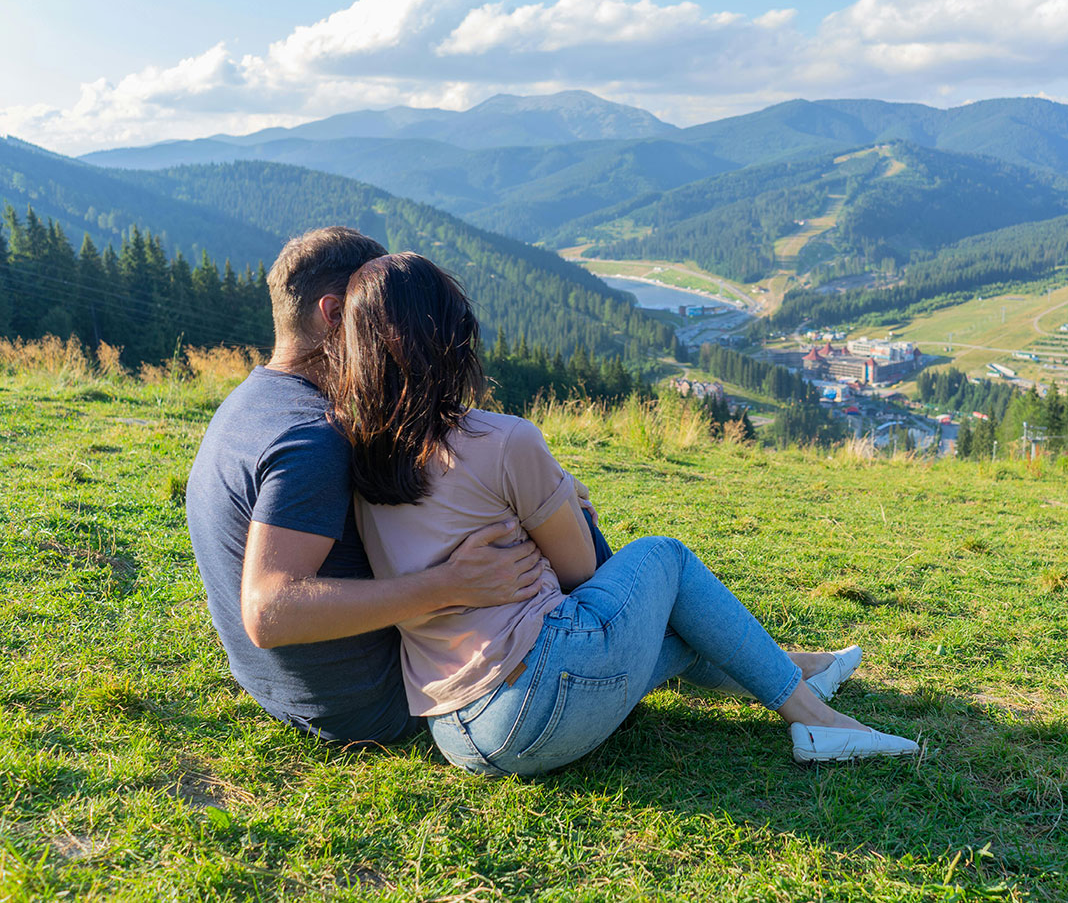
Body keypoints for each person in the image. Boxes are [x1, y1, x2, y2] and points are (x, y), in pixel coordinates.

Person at [324, 252, 921, 772]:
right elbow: (583, 571)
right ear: (450, 337)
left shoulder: (358, 453)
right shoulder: (502, 441)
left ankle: (798, 668)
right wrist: (560, 502)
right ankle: (815, 717)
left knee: (690, 619)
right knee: (665, 561)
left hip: (459, 731)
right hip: (535, 697)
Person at [185, 227, 556, 745]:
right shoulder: (313, 437)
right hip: (367, 702)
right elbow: (269, 610)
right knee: (555, 517)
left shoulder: (249, 402)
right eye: (374, 311)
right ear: (336, 314)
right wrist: (451, 583)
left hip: (278, 688)